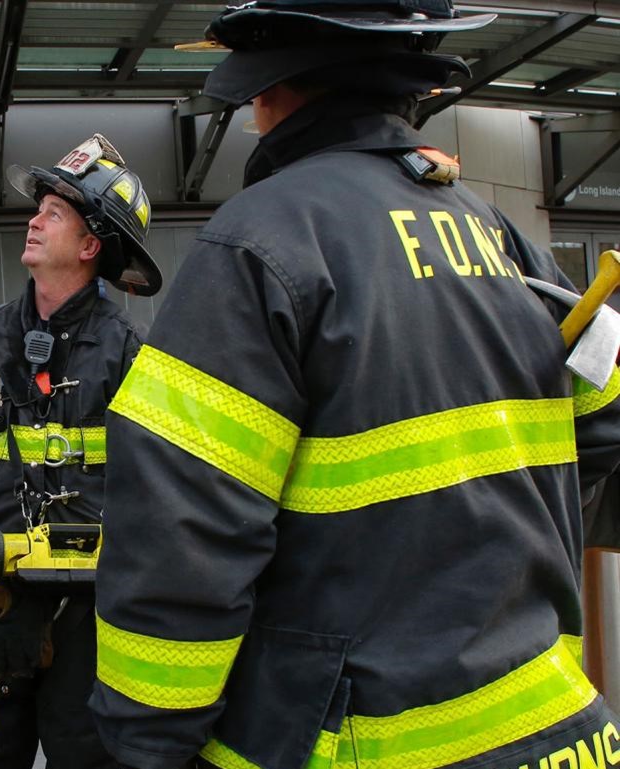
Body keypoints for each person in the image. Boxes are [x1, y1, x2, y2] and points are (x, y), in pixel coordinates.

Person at [92, 4, 620, 769]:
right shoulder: (499, 234)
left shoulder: (261, 241)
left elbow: (181, 533)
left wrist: (144, 747)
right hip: (554, 726)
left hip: (360, 737)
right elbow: (600, 438)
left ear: (271, 90)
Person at [0, 133, 161, 769]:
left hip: (88, 621)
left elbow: (152, 499)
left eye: (55, 212)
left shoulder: (132, 356)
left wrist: (46, 594)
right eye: (38, 207)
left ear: (88, 247)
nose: (33, 217)